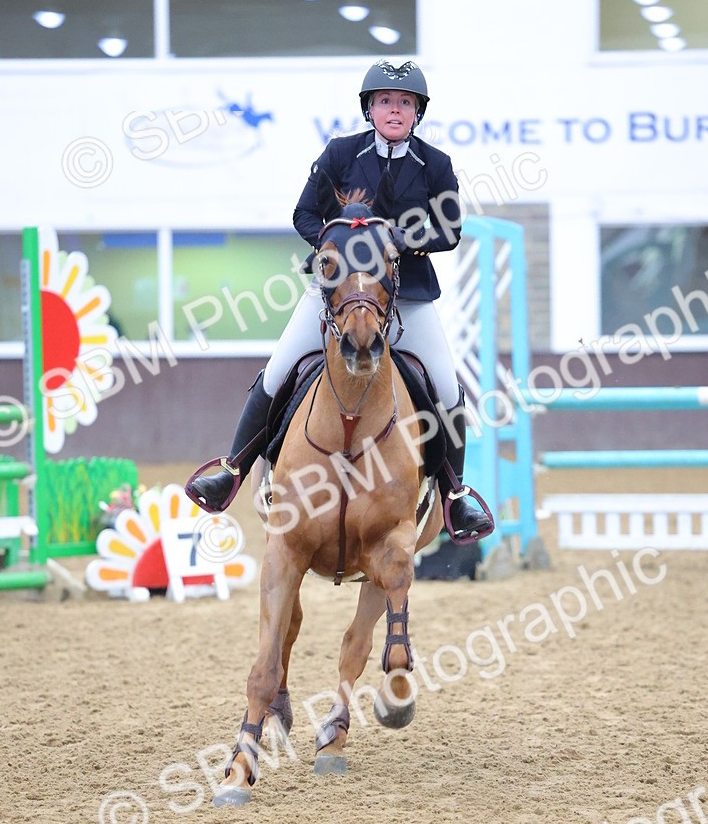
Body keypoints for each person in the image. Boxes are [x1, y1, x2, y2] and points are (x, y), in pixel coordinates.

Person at [187, 59, 493, 542]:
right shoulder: (340, 154)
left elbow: (451, 230)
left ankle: (456, 495)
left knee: (447, 387)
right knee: (279, 367)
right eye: (386, 101)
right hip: (337, 295)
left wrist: (400, 239)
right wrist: (337, 245)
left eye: (405, 103)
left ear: (417, 112)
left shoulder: (435, 165)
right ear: (370, 109)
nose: (395, 109)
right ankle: (233, 466)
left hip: (406, 294)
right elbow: (303, 215)